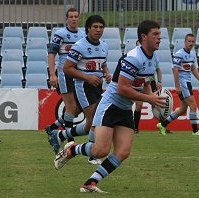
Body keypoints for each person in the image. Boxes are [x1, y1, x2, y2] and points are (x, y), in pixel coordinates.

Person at [54, 20, 166, 193]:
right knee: (100, 151)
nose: (160, 38)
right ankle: (72, 150)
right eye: (155, 34)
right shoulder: (134, 58)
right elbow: (122, 89)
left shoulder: (154, 58)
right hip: (110, 105)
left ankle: (90, 183)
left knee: (123, 151)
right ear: (144, 37)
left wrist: (151, 96)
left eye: (160, 34)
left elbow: (145, 81)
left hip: (124, 108)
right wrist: (149, 99)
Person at [49, 15, 111, 166]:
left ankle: (60, 134)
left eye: (101, 27)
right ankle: (92, 155)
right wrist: (87, 78)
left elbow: (102, 64)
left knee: (91, 123)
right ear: (88, 28)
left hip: (97, 86)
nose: (98, 30)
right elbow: (67, 68)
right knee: (96, 120)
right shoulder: (79, 46)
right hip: (83, 86)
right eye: (95, 27)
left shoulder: (104, 45)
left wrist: (106, 73)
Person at [46, 8, 85, 145]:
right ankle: (70, 139)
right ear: (67, 19)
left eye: (76, 16)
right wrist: (52, 74)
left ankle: (53, 127)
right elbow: (51, 54)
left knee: (78, 107)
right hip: (64, 73)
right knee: (71, 106)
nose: (74, 19)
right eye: (71, 17)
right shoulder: (60, 34)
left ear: (78, 18)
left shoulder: (83, 35)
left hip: (78, 74)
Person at [156, 33, 199, 136]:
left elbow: (193, 68)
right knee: (193, 105)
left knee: (183, 109)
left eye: (193, 41)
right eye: (189, 41)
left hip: (187, 83)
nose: (191, 43)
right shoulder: (179, 54)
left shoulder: (192, 54)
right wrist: (177, 86)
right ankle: (195, 131)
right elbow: (175, 70)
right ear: (185, 42)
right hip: (183, 83)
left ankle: (163, 125)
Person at [133, 40, 162, 134]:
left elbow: (158, 70)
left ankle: (162, 125)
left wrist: (159, 81)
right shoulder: (135, 58)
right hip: (138, 82)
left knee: (157, 103)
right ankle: (135, 128)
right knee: (139, 105)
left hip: (150, 82)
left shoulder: (154, 58)